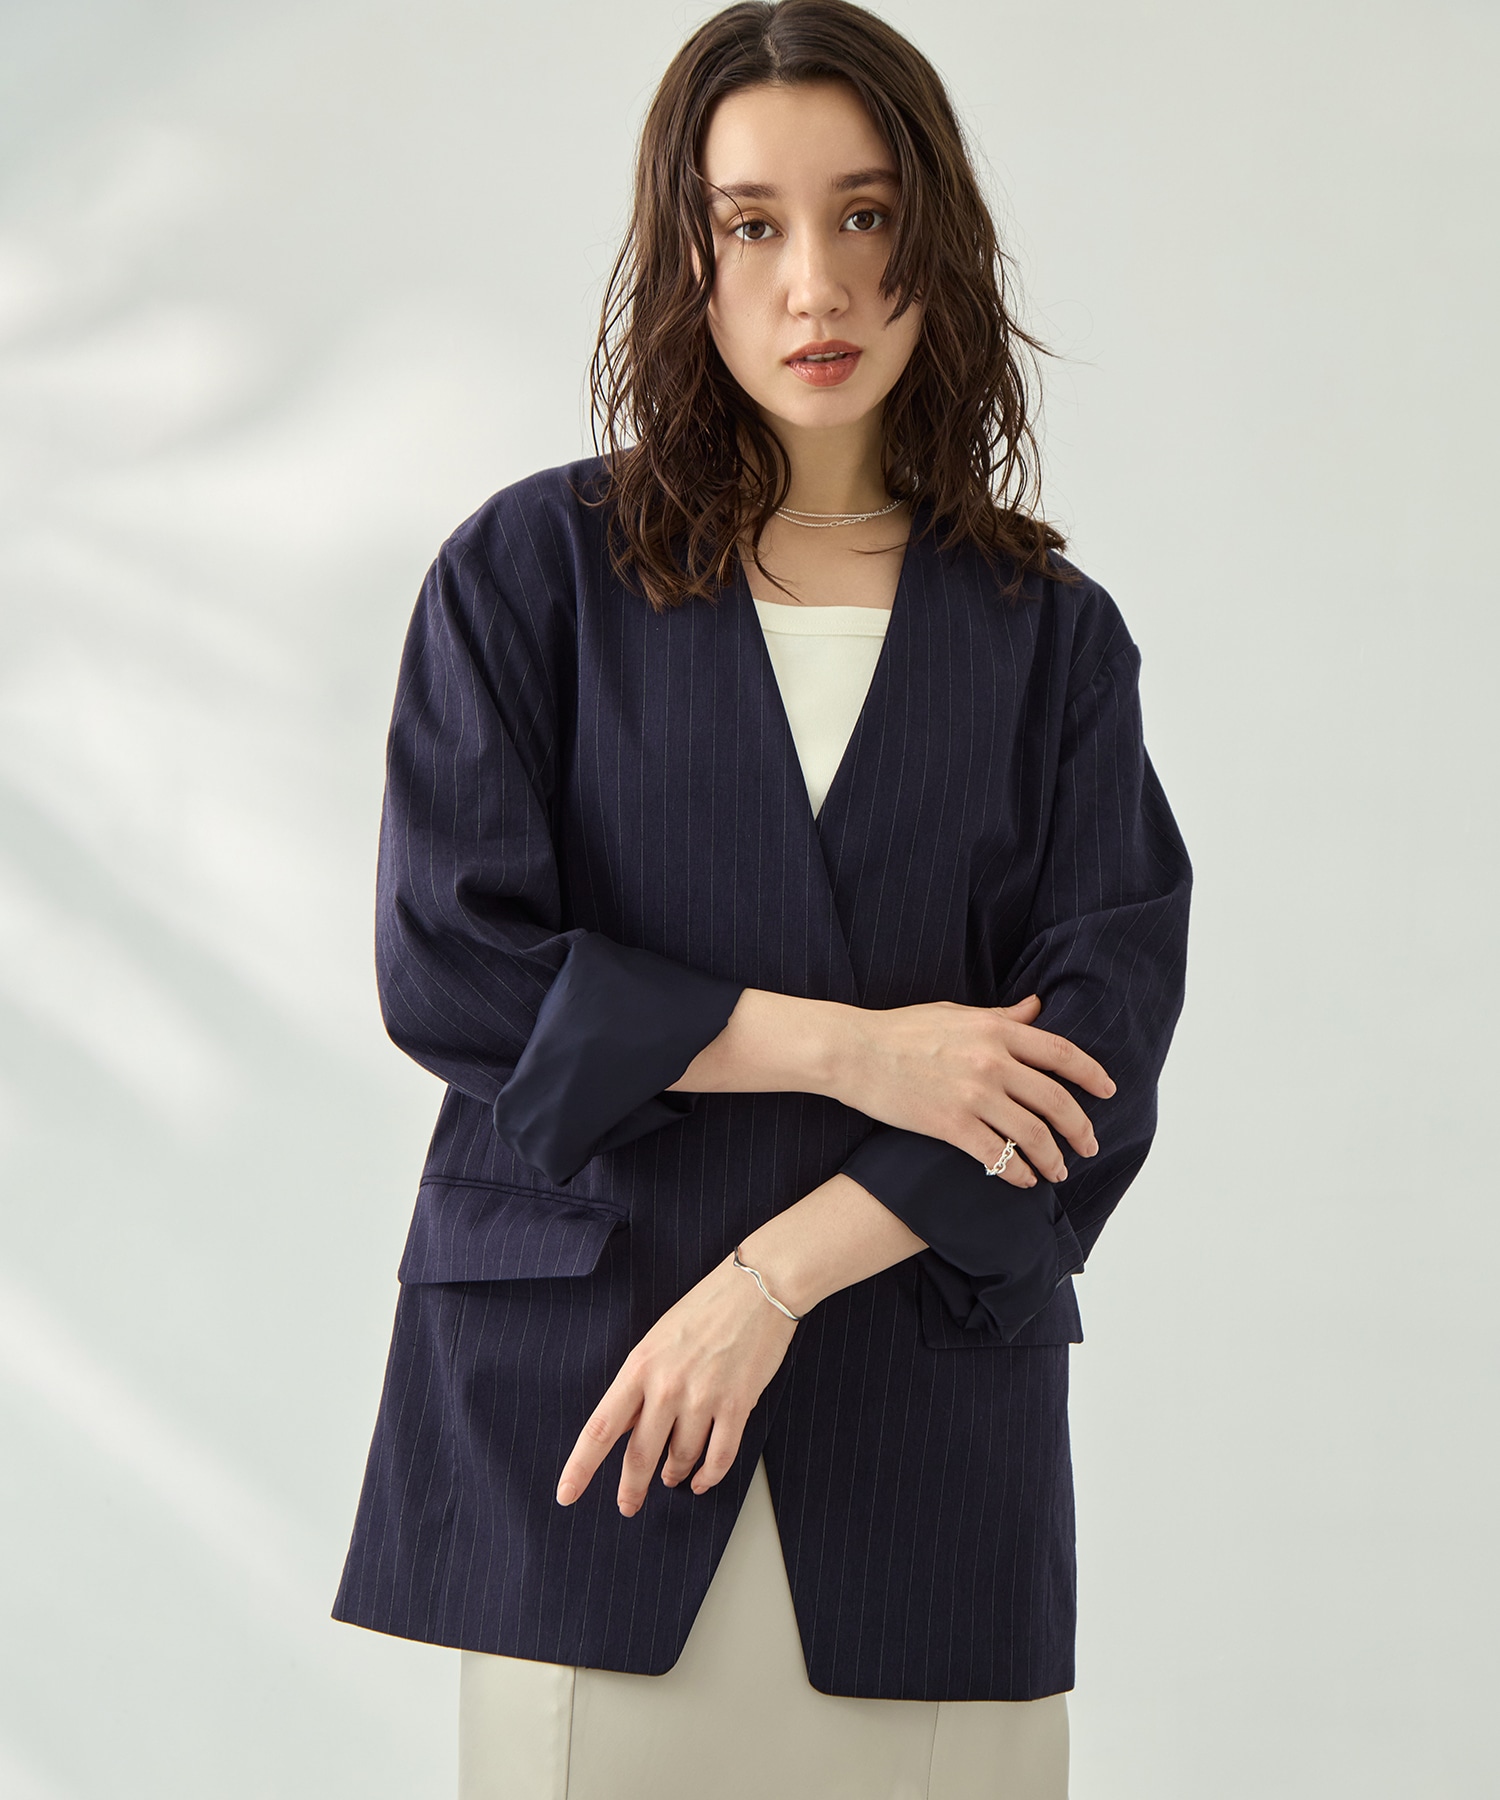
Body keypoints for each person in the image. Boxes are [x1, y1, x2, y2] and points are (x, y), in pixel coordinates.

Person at [331, 3, 1192, 1796]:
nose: (818, 285)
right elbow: (454, 966)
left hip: (923, 1443)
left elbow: (1086, 1066)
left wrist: (773, 1282)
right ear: (686, 254)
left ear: (937, 239)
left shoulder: (1050, 641)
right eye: (753, 225)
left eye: (867, 216)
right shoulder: (531, 575)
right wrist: (862, 1053)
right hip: (590, 1418)